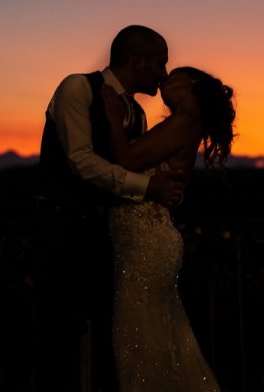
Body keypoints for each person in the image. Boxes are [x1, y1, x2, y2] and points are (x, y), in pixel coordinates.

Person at [36, 25, 185, 392]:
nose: (164, 75)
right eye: (160, 64)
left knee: (110, 337)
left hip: (113, 238)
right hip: (64, 231)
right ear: (139, 61)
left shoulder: (136, 112)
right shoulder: (76, 88)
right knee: (61, 340)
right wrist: (148, 187)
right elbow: (81, 162)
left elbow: (129, 164)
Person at [101, 66, 235, 392]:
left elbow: (127, 160)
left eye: (170, 75)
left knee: (141, 344)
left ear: (189, 84)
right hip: (143, 241)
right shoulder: (183, 126)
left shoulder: (183, 123)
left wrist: (109, 112)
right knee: (157, 341)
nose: (162, 79)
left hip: (146, 245)